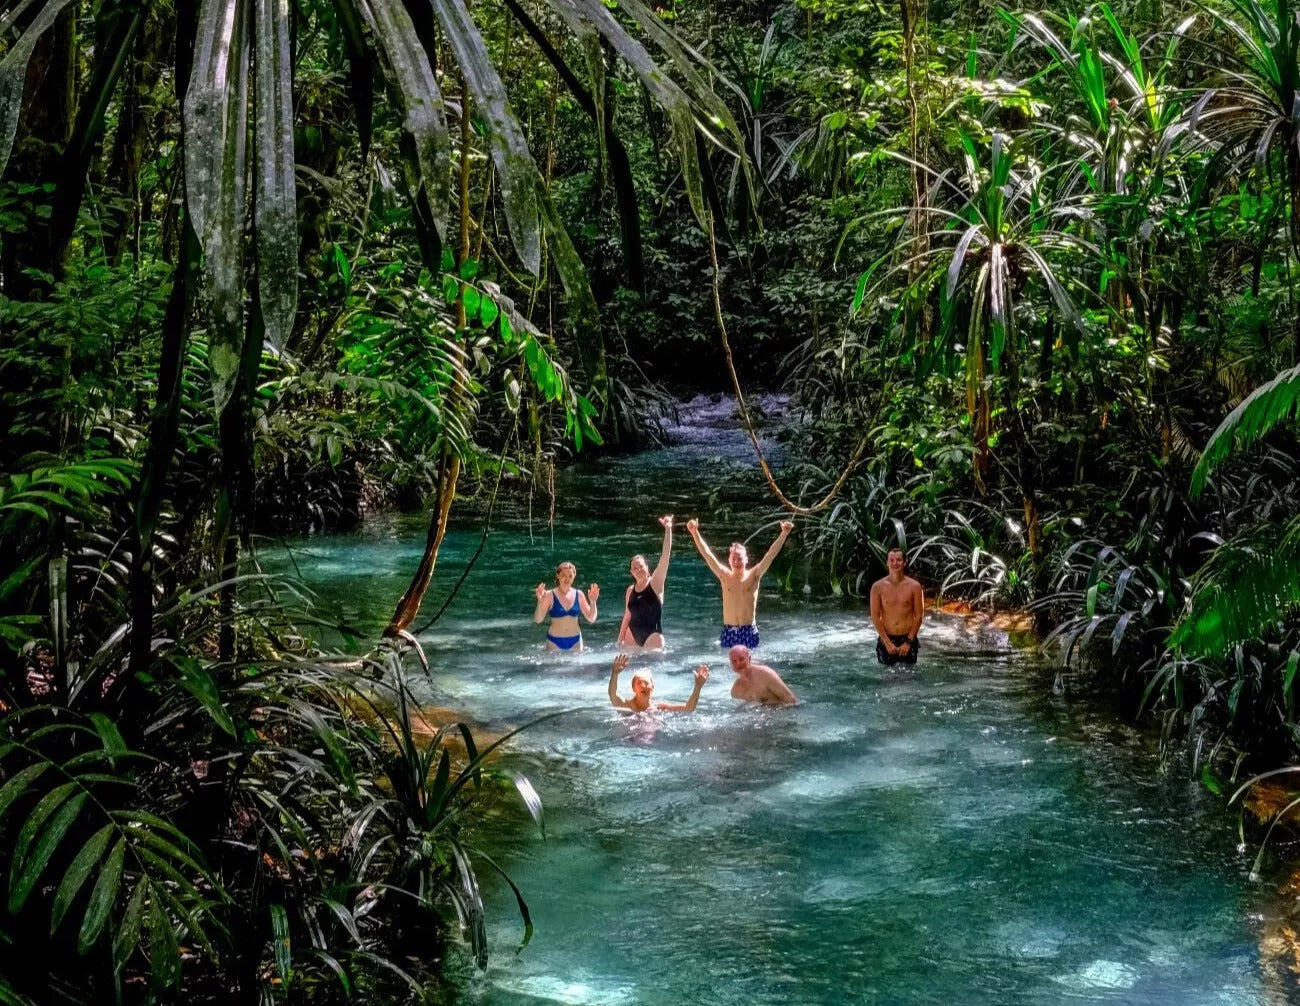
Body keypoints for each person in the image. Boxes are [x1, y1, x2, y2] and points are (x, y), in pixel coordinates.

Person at [686, 518, 794, 649]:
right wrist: (694, 532)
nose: (737, 562)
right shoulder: (724, 576)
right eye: (734, 558)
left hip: (748, 631)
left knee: (748, 667)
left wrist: (784, 534)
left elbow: (770, 555)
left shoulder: (754, 575)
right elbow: (707, 555)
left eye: (740, 558)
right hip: (729, 631)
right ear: (729, 560)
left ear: (746, 559)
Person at [617, 515, 673, 650]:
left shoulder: (656, 583)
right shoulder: (630, 590)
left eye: (641, 566)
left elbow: (665, 557)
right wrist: (620, 639)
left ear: (647, 567)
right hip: (632, 637)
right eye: (634, 568)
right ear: (631, 573)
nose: (638, 570)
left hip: (652, 637)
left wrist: (668, 529)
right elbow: (627, 615)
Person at [869, 548, 924, 665]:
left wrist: (908, 642)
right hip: (887, 639)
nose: (895, 563)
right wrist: (887, 643)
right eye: (892, 560)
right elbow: (875, 616)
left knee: (910, 678)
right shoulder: (877, 587)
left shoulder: (915, 587)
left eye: (899, 560)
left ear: (905, 562)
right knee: (887, 679)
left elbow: (919, 616)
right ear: (887, 563)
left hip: (908, 638)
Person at [608, 652, 708, 713]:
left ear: (652, 687)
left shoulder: (659, 708)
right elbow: (612, 695)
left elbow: (689, 709)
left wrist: (698, 687)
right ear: (633, 688)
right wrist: (614, 674)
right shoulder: (627, 706)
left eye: (646, 683)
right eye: (638, 682)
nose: (643, 685)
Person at [533, 561, 599, 651]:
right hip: (554, 641)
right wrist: (540, 602)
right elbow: (538, 620)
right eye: (563, 575)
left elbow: (591, 618)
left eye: (570, 576)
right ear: (558, 575)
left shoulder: (579, 595)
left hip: (576, 641)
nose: (567, 579)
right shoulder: (549, 595)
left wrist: (593, 602)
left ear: (574, 576)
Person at [727, 644, 797, 705]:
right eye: (734, 661)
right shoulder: (735, 691)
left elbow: (791, 699)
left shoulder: (766, 674)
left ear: (749, 659)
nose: (738, 663)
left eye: (741, 659)